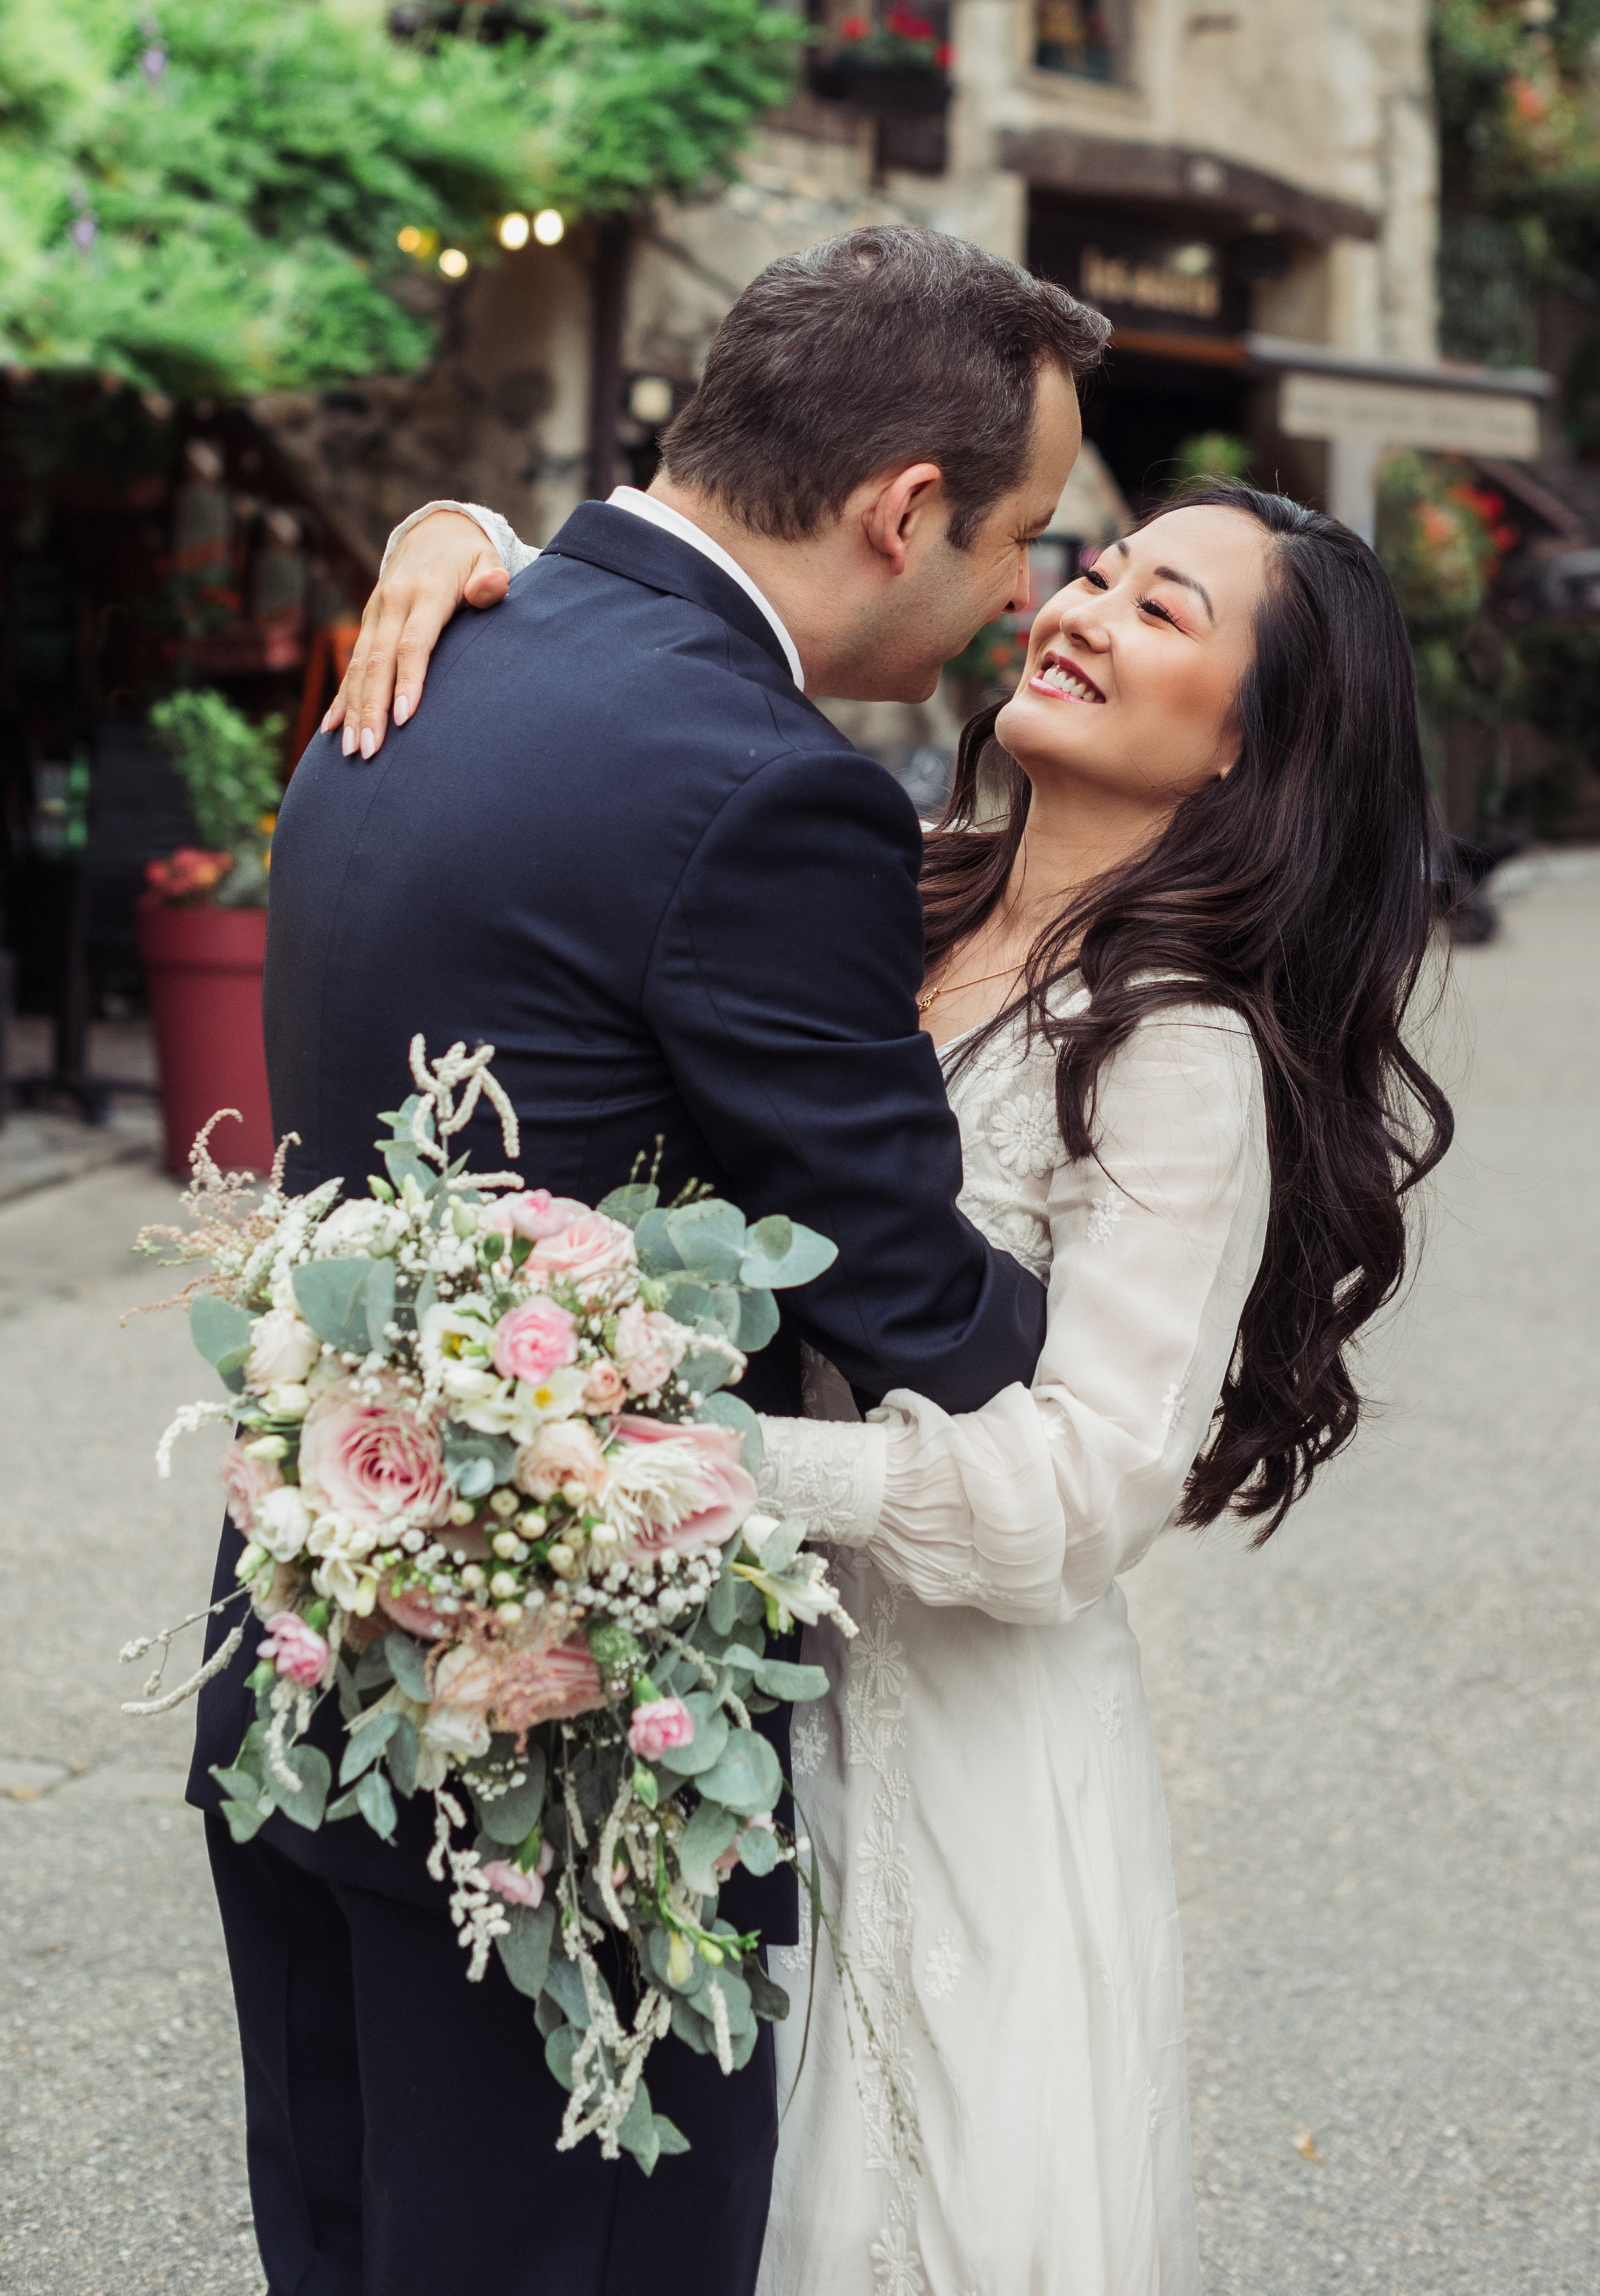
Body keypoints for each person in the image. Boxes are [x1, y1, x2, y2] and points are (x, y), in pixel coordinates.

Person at [350, 469, 1453, 2290]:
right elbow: (659, 618)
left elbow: (1082, 1499)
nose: (1079, 604)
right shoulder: (893, 896)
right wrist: (461, 531)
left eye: (1161, 609)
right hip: (719, 1706)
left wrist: (720, 1466)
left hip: (957, 1748)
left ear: (1254, 753)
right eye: (1093, 567)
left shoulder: (1179, 1054)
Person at [193, 225, 1112, 2296]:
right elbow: (912, 1307)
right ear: (903, 511)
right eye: (1023, 537)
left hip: (305, 1664)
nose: (1025, 595)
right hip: (561, 1756)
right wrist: (1136, 1324)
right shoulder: (767, 789)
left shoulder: (429, 643)